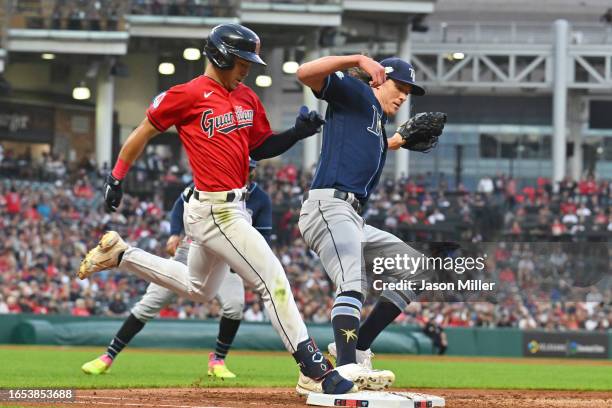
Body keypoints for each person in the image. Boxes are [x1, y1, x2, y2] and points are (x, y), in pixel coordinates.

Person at [78, 23, 355, 396]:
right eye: (243, 60)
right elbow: (143, 131)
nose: (248, 67)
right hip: (214, 209)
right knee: (272, 280)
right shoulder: (187, 94)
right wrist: (116, 178)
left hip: (231, 205)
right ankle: (313, 368)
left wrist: (296, 133)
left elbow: (260, 148)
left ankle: (122, 254)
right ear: (222, 54)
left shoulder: (246, 97)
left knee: (199, 289)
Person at [297, 54, 440, 389]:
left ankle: (357, 348)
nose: (404, 95)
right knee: (353, 281)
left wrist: (397, 142)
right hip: (328, 207)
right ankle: (346, 370)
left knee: (418, 269)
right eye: (400, 86)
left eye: (409, 90)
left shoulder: (376, 122)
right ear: (379, 78)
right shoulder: (356, 92)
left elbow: (367, 145)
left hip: (352, 217)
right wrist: (360, 59)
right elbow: (304, 73)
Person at [80, 160, 270, 378]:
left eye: (249, 168)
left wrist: (245, 261)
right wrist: (174, 232)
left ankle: (217, 360)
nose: (245, 171)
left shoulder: (260, 198)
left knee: (235, 306)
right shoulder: (209, 182)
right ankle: (108, 356)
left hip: (226, 258)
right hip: (190, 249)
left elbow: (263, 236)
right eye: (242, 166)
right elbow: (180, 204)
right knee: (148, 304)